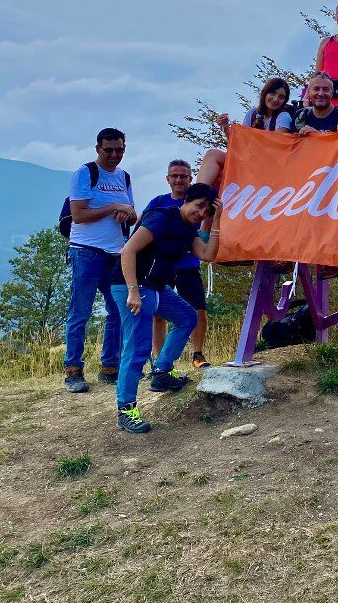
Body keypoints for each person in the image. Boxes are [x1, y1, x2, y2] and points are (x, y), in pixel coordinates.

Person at [110, 184, 222, 434]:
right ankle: (126, 409)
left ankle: (161, 371)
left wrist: (216, 221)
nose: (201, 212)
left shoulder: (188, 229)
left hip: (156, 288)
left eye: (206, 210)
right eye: (199, 205)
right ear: (187, 200)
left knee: (187, 317)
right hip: (131, 285)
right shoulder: (162, 217)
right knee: (137, 349)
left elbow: (207, 254)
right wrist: (133, 291)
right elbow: (127, 250)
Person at [63, 127, 135, 393]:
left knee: (116, 310)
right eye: (109, 150)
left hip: (116, 251)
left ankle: (110, 367)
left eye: (120, 150)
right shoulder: (85, 173)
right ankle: (73, 370)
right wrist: (114, 207)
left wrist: (126, 214)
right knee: (79, 312)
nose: (115, 155)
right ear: (98, 149)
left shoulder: (124, 177)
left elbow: (132, 213)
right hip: (86, 250)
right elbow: (78, 215)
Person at [142, 160, 213, 370]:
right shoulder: (159, 201)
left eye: (184, 176)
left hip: (187, 264)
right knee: (158, 313)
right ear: (168, 179)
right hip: (161, 265)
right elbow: (143, 223)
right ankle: (159, 359)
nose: (179, 179)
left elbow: (203, 232)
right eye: (175, 175)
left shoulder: (200, 202)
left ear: (191, 179)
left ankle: (198, 354)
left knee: (198, 310)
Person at [196, 77, 294, 187]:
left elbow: (276, 145)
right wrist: (226, 128)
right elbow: (239, 144)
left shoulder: (283, 117)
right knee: (212, 154)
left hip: (266, 164)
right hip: (246, 160)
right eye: (273, 93)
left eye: (281, 97)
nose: (275, 99)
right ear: (265, 93)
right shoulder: (252, 113)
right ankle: (199, 192)